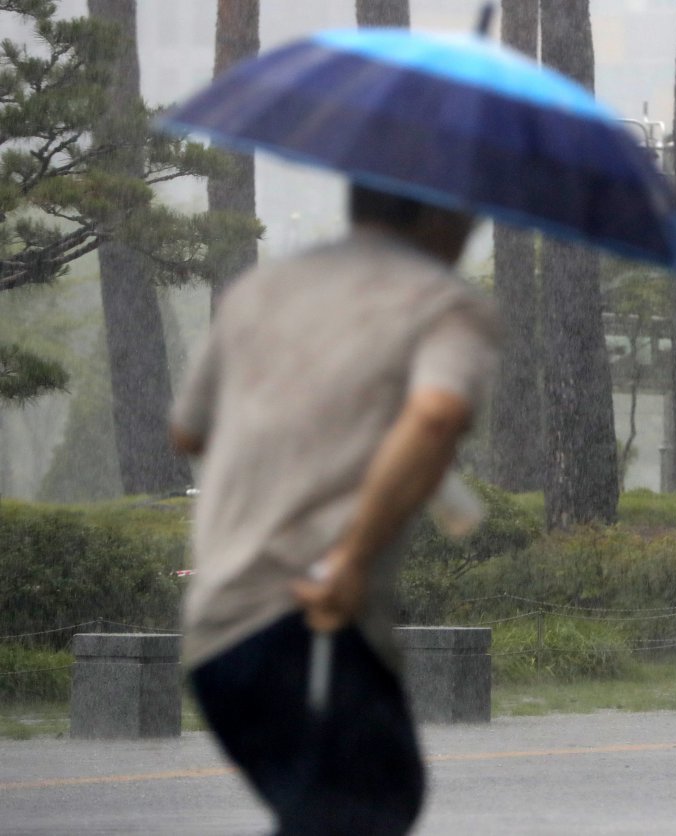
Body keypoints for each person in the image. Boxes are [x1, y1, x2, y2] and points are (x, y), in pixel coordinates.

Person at [170, 184, 497, 834]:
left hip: (216, 632)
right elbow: (436, 414)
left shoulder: (262, 293)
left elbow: (190, 430)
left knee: (339, 810)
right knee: (369, 805)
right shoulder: (442, 305)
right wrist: (349, 556)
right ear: (441, 212)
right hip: (308, 613)